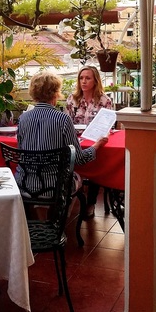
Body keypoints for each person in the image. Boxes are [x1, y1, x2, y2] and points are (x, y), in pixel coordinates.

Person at [17, 71, 108, 208]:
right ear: (55, 93)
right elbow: (79, 159)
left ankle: (40, 216)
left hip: (24, 184)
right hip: (54, 186)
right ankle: (60, 222)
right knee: (76, 178)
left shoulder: (23, 119)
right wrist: (96, 146)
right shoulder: (63, 119)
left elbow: (22, 151)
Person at [65, 66, 114, 218]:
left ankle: (91, 202)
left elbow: (109, 125)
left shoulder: (105, 101)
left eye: (88, 78)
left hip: (95, 140)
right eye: (81, 78)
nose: (84, 81)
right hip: (76, 140)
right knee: (69, 159)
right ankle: (69, 199)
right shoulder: (72, 99)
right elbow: (67, 123)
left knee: (97, 164)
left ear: (95, 81)